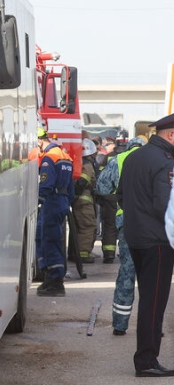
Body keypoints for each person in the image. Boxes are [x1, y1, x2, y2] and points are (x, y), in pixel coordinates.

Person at [117, 113, 174, 377]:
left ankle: (146, 357)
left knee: (148, 298)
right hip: (158, 241)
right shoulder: (166, 162)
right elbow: (166, 205)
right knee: (154, 301)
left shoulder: (133, 157)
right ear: (171, 135)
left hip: (135, 237)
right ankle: (147, 361)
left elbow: (121, 197)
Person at [96, 136, 146, 335]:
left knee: (127, 272)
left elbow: (101, 187)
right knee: (151, 275)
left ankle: (119, 324)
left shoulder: (118, 159)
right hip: (153, 223)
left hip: (127, 222)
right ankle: (151, 325)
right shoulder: (157, 159)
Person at [36, 126, 75, 297]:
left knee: (48, 240)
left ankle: (55, 281)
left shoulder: (48, 158)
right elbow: (71, 188)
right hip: (62, 201)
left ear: (39, 141)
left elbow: (45, 184)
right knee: (49, 238)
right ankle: (50, 277)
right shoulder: (65, 156)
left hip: (52, 201)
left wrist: (39, 202)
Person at [72, 139, 98, 263]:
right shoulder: (87, 165)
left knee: (79, 227)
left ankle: (79, 252)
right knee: (88, 226)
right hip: (84, 201)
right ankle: (83, 254)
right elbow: (82, 182)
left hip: (80, 200)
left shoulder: (80, 162)